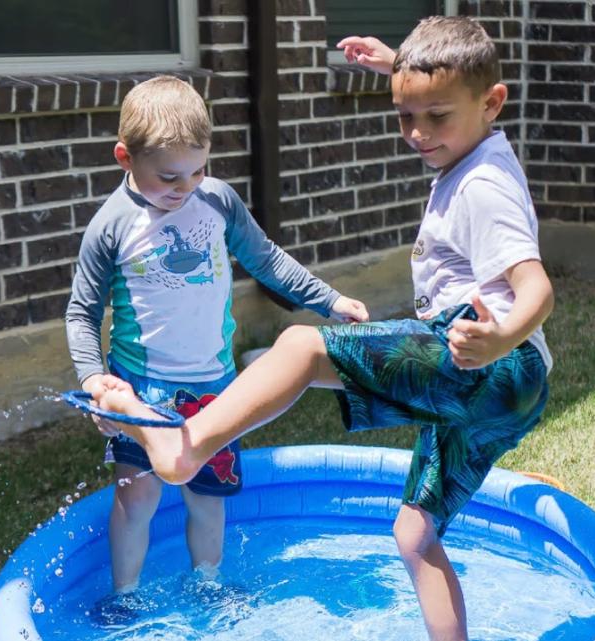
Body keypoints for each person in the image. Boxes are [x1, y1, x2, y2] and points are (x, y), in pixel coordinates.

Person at [89, 17, 554, 641]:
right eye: (404, 115)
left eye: (434, 116)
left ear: (491, 103)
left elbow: (538, 291)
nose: (417, 133)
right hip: (506, 388)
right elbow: (450, 92)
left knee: (302, 348)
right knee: (414, 533)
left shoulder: (485, 183)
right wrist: (400, 65)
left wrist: (500, 339)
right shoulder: (476, 142)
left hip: (494, 359)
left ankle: (187, 446)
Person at [65, 75, 369, 598]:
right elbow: (81, 313)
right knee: (136, 499)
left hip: (215, 389)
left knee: (208, 499)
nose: (186, 187)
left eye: (199, 169)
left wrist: (330, 300)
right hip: (139, 391)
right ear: (125, 158)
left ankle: (207, 588)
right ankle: (125, 597)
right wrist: (95, 380)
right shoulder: (112, 226)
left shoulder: (217, 202)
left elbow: (265, 258)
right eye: (169, 176)